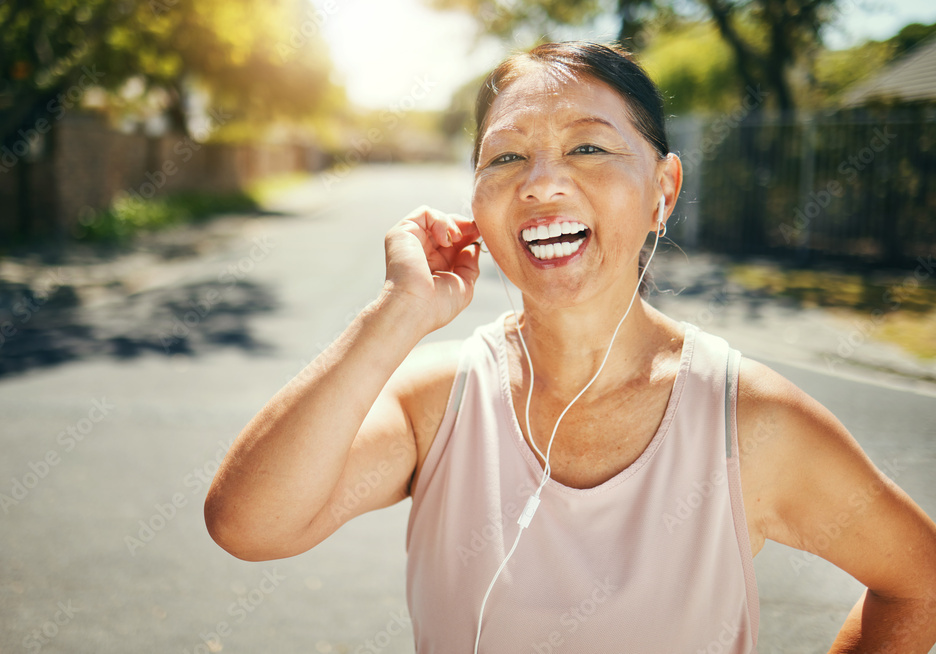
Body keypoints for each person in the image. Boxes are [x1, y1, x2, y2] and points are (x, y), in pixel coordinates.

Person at [204, 41, 936, 652]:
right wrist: (397, 313)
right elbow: (248, 526)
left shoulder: (747, 420)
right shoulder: (436, 403)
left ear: (663, 190)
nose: (543, 183)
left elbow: (919, 582)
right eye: (505, 158)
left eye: (588, 146)